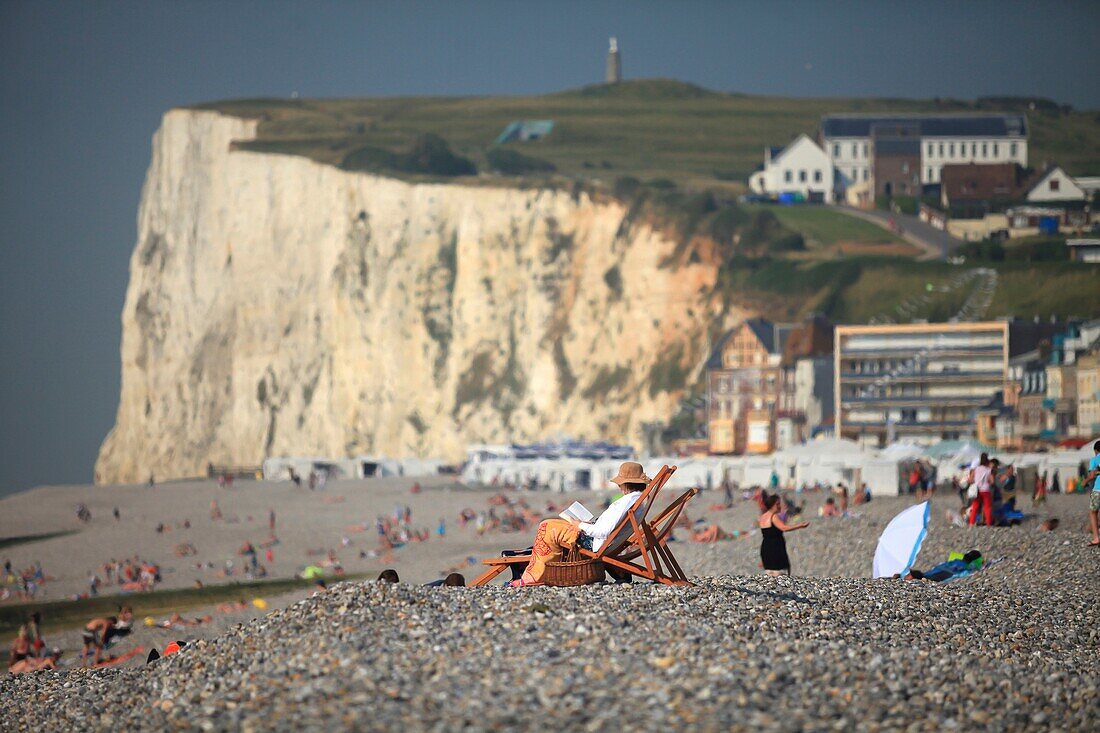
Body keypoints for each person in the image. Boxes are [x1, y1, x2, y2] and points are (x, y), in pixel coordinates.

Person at [510, 461, 650, 587]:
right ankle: (542, 572)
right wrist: (586, 524)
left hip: (594, 543)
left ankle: (535, 576)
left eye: (620, 483)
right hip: (603, 541)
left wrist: (579, 525)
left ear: (625, 484)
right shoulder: (637, 500)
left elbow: (602, 532)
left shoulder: (626, 502)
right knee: (551, 524)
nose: (619, 486)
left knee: (546, 526)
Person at [758, 492, 809, 576]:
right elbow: (784, 528)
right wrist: (800, 525)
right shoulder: (773, 516)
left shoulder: (763, 517)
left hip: (765, 547)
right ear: (772, 505)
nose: (779, 506)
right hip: (775, 548)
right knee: (780, 573)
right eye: (777, 504)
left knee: (769, 573)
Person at [967, 453, 994, 527]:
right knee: (987, 507)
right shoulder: (988, 470)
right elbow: (992, 481)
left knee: (975, 506)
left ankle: (971, 523)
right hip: (986, 490)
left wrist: (975, 481)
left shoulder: (976, 469)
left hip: (977, 490)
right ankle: (988, 523)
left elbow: (970, 480)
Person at [1086, 440, 1100, 547]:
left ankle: (1096, 537)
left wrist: (1084, 482)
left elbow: (1091, 476)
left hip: (1098, 490)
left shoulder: (1094, 460)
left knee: (1093, 512)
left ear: (1096, 450)